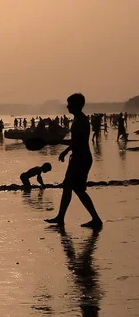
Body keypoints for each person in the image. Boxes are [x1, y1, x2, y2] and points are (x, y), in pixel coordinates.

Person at [45, 93, 103, 228]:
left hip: (81, 159)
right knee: (68, 187)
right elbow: (76, 142)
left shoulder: (81, 120)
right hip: (78, 157)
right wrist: (63, 147)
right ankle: (60, 217)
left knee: (77, 189)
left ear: (75, 105)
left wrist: (63, 147)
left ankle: (96, 219)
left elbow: (78, 142)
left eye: (69, 104)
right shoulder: (78, 119)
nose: (67, 106)